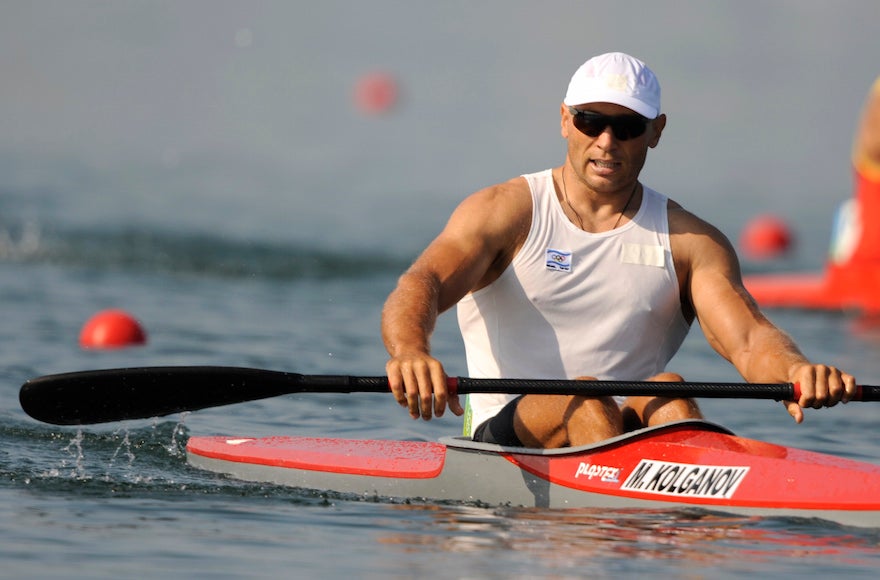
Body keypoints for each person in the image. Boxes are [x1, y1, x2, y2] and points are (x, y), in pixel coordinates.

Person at [381, 52, 857, 449]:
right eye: (591, 121)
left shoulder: (691, 241)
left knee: (668, 391)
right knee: (585, 397)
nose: (606, 142)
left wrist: (797, 370)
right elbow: (422, 282)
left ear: (656, 131)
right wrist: (409, 351)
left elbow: (749, 340)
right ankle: (623, 536)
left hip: (633, 436)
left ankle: (696, 545)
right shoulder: (505, 212)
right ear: (565, 120)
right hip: (503, 437)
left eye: (627, 126)